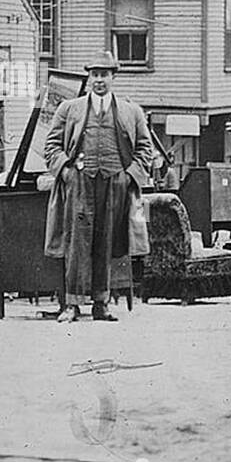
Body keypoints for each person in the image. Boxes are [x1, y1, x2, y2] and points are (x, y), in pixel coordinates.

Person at [43, 51, 153, 322]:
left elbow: (145, 149)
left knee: (106, 242)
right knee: (76, 242)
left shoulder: (131, 111)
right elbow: (51, 146)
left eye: (104, 74)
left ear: (114, 77)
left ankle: (101, 304)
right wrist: (66, 171)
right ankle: (72, 305)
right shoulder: (70, 109)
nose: (99, 80)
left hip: (115, 183)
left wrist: (129, 176)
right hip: (80, 183)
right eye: (94, 74)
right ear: (88, 77)